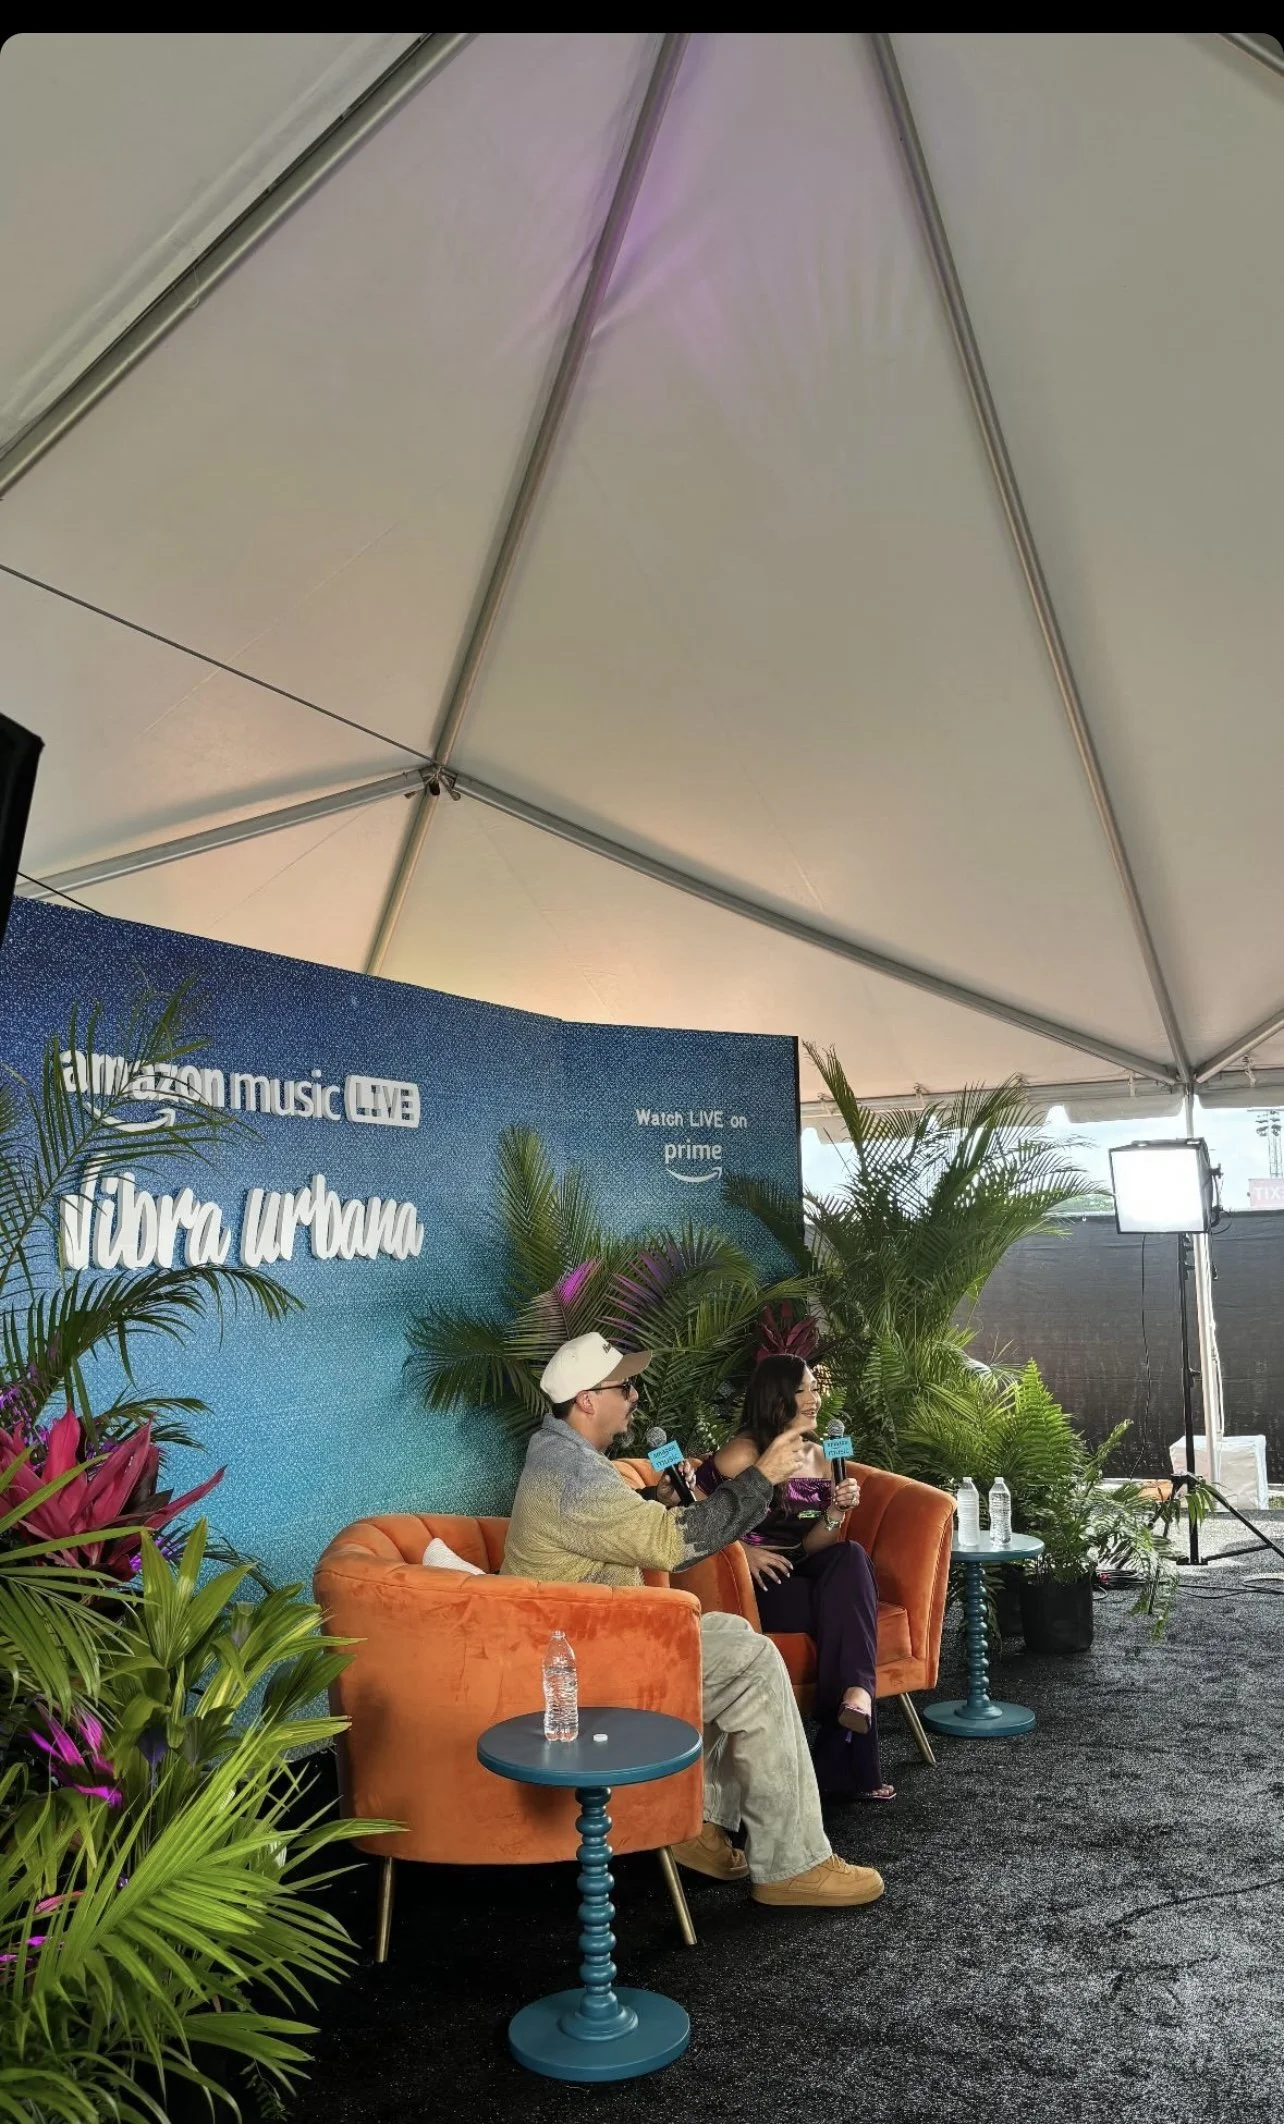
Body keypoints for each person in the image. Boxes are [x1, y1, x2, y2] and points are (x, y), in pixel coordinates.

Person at [501, 1331, 884, 1911]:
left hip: (595, 1638)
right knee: (754, 1663)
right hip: (584, 1664)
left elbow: (623, 1534)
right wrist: (762, 1477)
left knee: (734, 1638)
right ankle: (793, 1863)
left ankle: (701, 1823)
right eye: (624, 1386)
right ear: (585, 1399)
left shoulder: (565, 1459)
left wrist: (659, 1499)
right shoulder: (577, 1476)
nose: (634, 1397)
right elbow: (676, 1547)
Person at [696, 1354, 892, 1803]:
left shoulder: (822, 1457)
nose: (815, 1398)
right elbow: (692, 1514)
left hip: (804, 1565)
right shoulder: (745, 1452)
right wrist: (742, 1551)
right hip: (759, 1585)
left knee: (851, 1556)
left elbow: (812, 1548)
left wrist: (836, 1513)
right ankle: (849, 1754)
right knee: (847, 1607)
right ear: (777, 1396)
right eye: (803, 1389)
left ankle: (857, 1694)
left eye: (815, 1389)